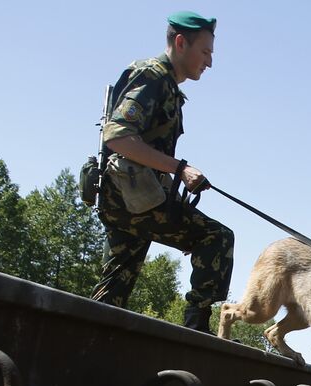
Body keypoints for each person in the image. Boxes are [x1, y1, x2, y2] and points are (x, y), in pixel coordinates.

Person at [89, 11, 233, 333]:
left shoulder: (167, 85)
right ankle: (196, 332)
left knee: (112, 291)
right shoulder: (152, 77)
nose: (209, 62)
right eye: (205, 52)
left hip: (133, 199)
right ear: (181, 43)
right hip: (131, 200)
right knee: (217, 238)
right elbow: (118, 136)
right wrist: (179, 169)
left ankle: (85, 343)